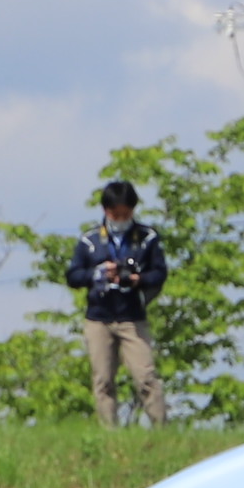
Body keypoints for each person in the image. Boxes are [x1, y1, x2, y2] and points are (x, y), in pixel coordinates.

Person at [68, 180, 169, 429]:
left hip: (132, 317)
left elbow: (160, 273)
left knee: (146, 376)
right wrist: (98, 273)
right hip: (98, 318)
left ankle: (161, 428)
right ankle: (108, 432)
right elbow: (73, 276)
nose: (121, 218)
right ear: (105, 211)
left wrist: (138, 279)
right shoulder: (90, 240)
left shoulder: (147, 238)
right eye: (116, 214)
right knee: (103, 379)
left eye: (126, 213)